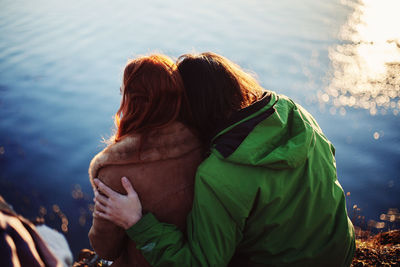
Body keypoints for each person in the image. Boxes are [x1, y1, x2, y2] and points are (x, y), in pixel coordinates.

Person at [93, 52, 355, 266]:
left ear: (192, 107)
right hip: (341, 249)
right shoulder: (292, 111)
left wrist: (137, 223)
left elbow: (199, 264)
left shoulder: (218, 173)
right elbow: (329, 159)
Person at [88, 55, 204, 266]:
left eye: (123, 91)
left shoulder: (115, 171)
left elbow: (106, 248)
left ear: (131, 100)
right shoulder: (202, 144)